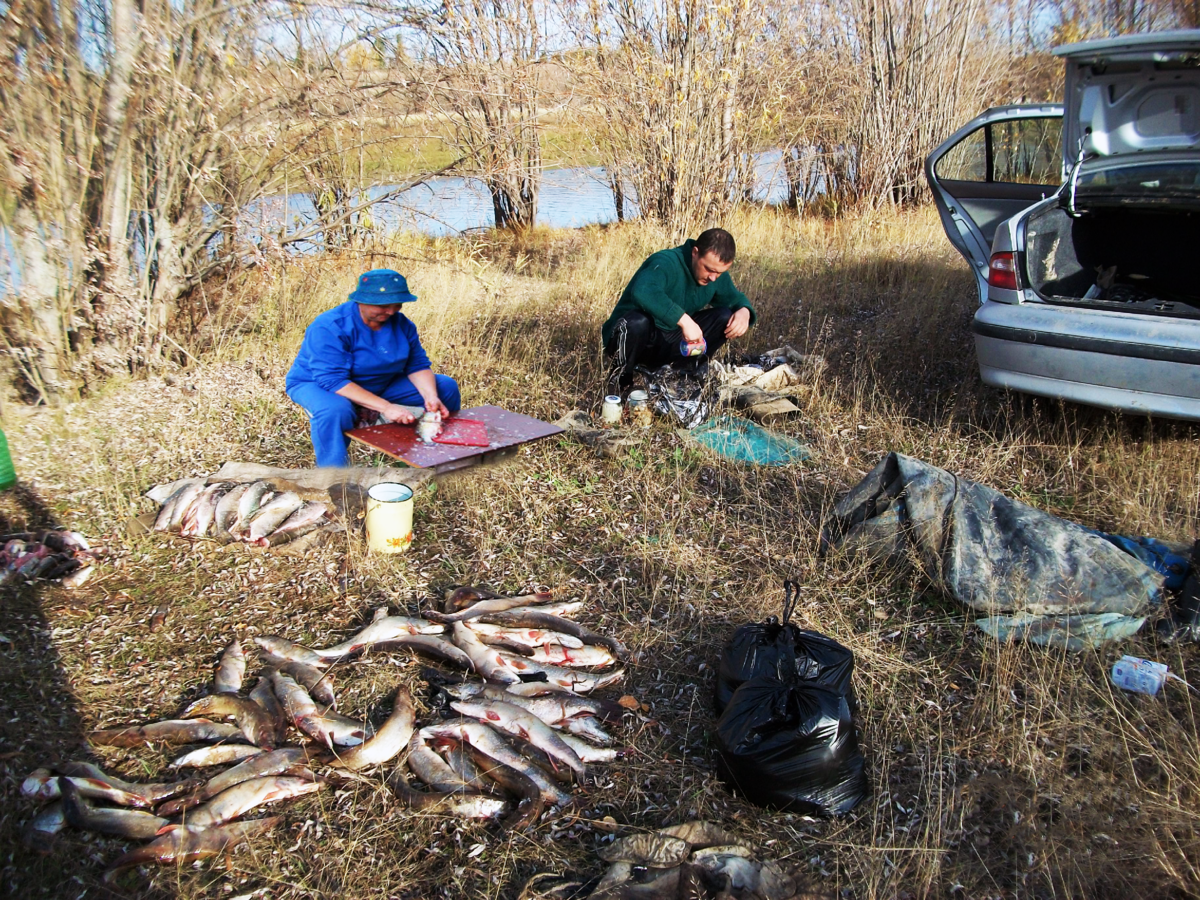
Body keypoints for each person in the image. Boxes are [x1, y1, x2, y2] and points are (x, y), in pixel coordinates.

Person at [286, 269, 461, 467]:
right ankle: (334, 477)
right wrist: (386, 408)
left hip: (378, 381)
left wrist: (431, 396)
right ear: (361, 300)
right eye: (384, 306)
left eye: (398, 305)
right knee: (334, 411)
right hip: (318, 384)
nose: (391, 311)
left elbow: (417, 365)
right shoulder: (329, 326)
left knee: (444, 386)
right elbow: (332, 380)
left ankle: (441, 451)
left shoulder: (403, 325)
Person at [602, 227, 756, 393]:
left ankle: (684, 376)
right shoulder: (665, 261)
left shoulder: (715, 275)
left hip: (671, 340)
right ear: (695, 253)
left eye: (719, 272)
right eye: (709, 269)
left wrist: (744, 311)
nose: (713, 277)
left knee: (725, 316)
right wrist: (685, 321)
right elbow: (643, 291)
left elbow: (735, 299)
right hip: (634, 339)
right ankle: (621, 383)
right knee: (637, 322)